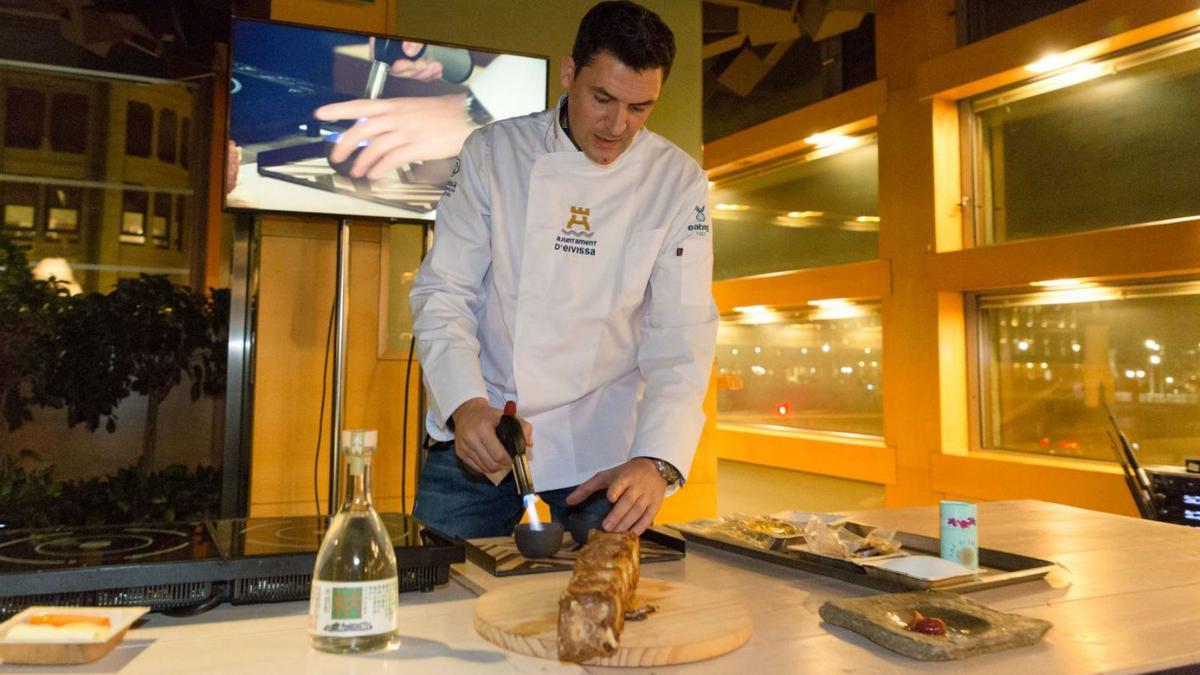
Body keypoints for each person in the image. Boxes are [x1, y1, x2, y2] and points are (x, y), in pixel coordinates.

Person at [408, 0, 716, 539]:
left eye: (641, 108)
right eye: (603, 99)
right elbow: (444, 292)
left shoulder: (677, 181)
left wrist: (657, 460)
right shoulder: (493, 153)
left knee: (602, 614)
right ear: (570, 72)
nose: (618, 126)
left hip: (603, 461)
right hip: (484, 444)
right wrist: (465, 404)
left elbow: (681, 334)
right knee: (438, 601)